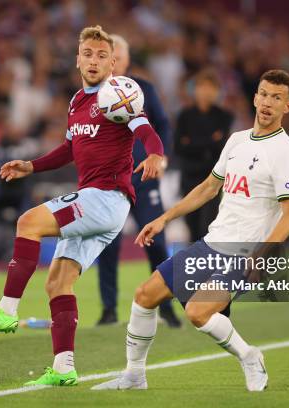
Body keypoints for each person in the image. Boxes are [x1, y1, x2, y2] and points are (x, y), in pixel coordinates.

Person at [0, 26, 164, 387]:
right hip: (99, 203)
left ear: (113, 62)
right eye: (88, 53)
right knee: (57, 283)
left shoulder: (116, 94)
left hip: (105, 198)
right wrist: (32, 165)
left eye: (102, 55)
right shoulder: (76, 101)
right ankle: (63, 367)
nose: (94, 60)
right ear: (77, 59)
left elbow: (144, 127)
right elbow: (70, 148)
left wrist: (155, 154)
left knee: (28, 221)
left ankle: (6, 310)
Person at [92, 70, 289, 392]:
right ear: (255, 96)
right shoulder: (237, 140)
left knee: (197, 312)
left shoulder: (285, 152)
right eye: (263, 94)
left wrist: (262, 256)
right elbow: (207, 188)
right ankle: (134, 376)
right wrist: (164, 219)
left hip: (243, 253)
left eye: (277, 97)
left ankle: (249, 356)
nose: (267, 102)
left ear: (287, 106)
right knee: (144, 296)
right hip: (211, 245)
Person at [96, 34, 181, 327]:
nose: (115, 61)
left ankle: (166, 305)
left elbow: (164, 125)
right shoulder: (94, 93)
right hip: (109, 181)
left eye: (119, 55)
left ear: (127, 59)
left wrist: (163, 156)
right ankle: (108, 310)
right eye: (111, 55)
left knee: (156, 239)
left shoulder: (143, 89)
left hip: (143, 178)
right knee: (108, 244)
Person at [174, 69, 234, 241]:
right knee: (191, 226)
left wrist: (192, 142)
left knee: (207, 225)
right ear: (195, 90)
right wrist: (209, 142)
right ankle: (197, 264)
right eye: (202, 87)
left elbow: (222, 147)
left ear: (217, 91)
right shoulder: (184, 116)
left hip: (213, 179)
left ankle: (209, 263)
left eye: (211, 87)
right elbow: (178, 147)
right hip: (189, 177)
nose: (206, 92)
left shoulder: (224, 116)